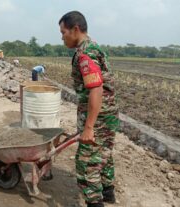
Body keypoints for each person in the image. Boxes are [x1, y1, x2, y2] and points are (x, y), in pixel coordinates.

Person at [59, 11, 119, 207]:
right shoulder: (95, 47)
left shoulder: (85, 54)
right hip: (108, 113)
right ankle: (108, 192)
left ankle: (96, 202)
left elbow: (95, 90)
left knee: (86, 163)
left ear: (75, 29)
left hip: (98, 117)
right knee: (104, 153)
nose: (62, 37)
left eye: (63, 32)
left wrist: (89, 127)